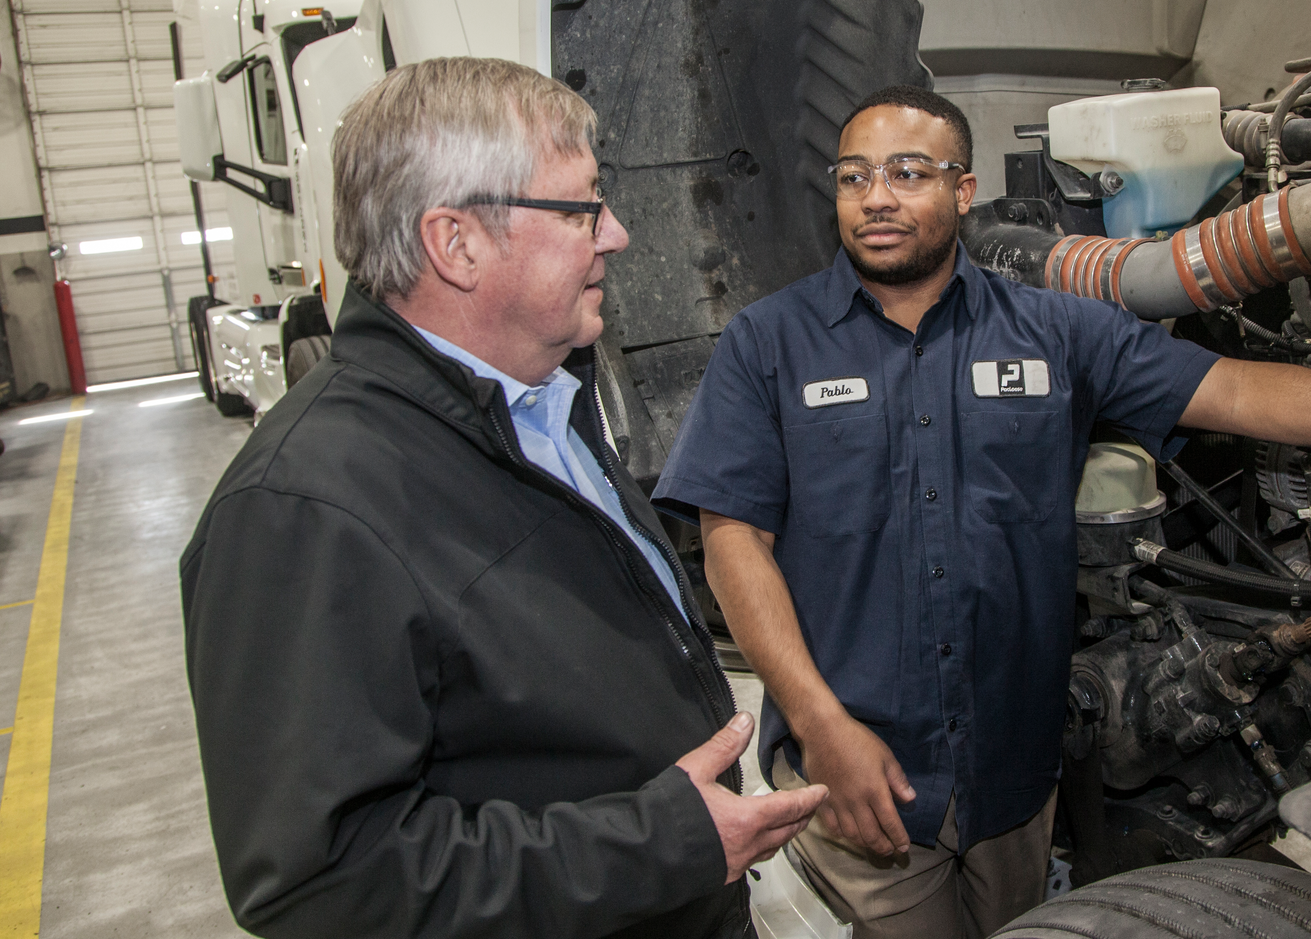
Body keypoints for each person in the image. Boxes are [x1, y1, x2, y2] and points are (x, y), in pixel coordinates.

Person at [652, 85, 1311, 938]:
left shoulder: (1055, 332)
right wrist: (819, 725)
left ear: (963, 190)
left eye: (908, 172)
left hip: (1014, 774)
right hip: (859, 771)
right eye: (855, 176)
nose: (876, 197)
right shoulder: (768, 342)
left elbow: (1244, 392)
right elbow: (733, 542)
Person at [179, 57, 826, 939]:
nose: (617, 234)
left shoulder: (543, 402)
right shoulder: (302, 509)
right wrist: (657, 845)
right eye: (582, 208)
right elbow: (321, 885)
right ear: (456, 244)